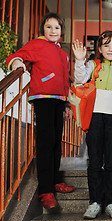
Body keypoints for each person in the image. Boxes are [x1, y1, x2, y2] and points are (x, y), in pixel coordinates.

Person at [6, 12, 75, 210]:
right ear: (42, 30)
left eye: (57, 27)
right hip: (42, 99)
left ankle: (55, 182)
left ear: (62, 31)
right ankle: (46, 190)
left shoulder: (63, 53)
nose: (53, 30)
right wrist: (17, 62)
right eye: (49, 27)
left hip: (59, 101)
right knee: (46, 143)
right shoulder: (36, 44)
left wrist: (68, 104)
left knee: (56, 143)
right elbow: (17, 55)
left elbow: (64, 80)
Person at [72, 30, 112, 219]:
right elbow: (79, 79)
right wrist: (80, 60)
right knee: (95, 161)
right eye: (106, 45)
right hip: (94, 117)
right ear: (100, 48)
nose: (111, 49)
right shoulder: (92, 66)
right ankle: (95, 202)